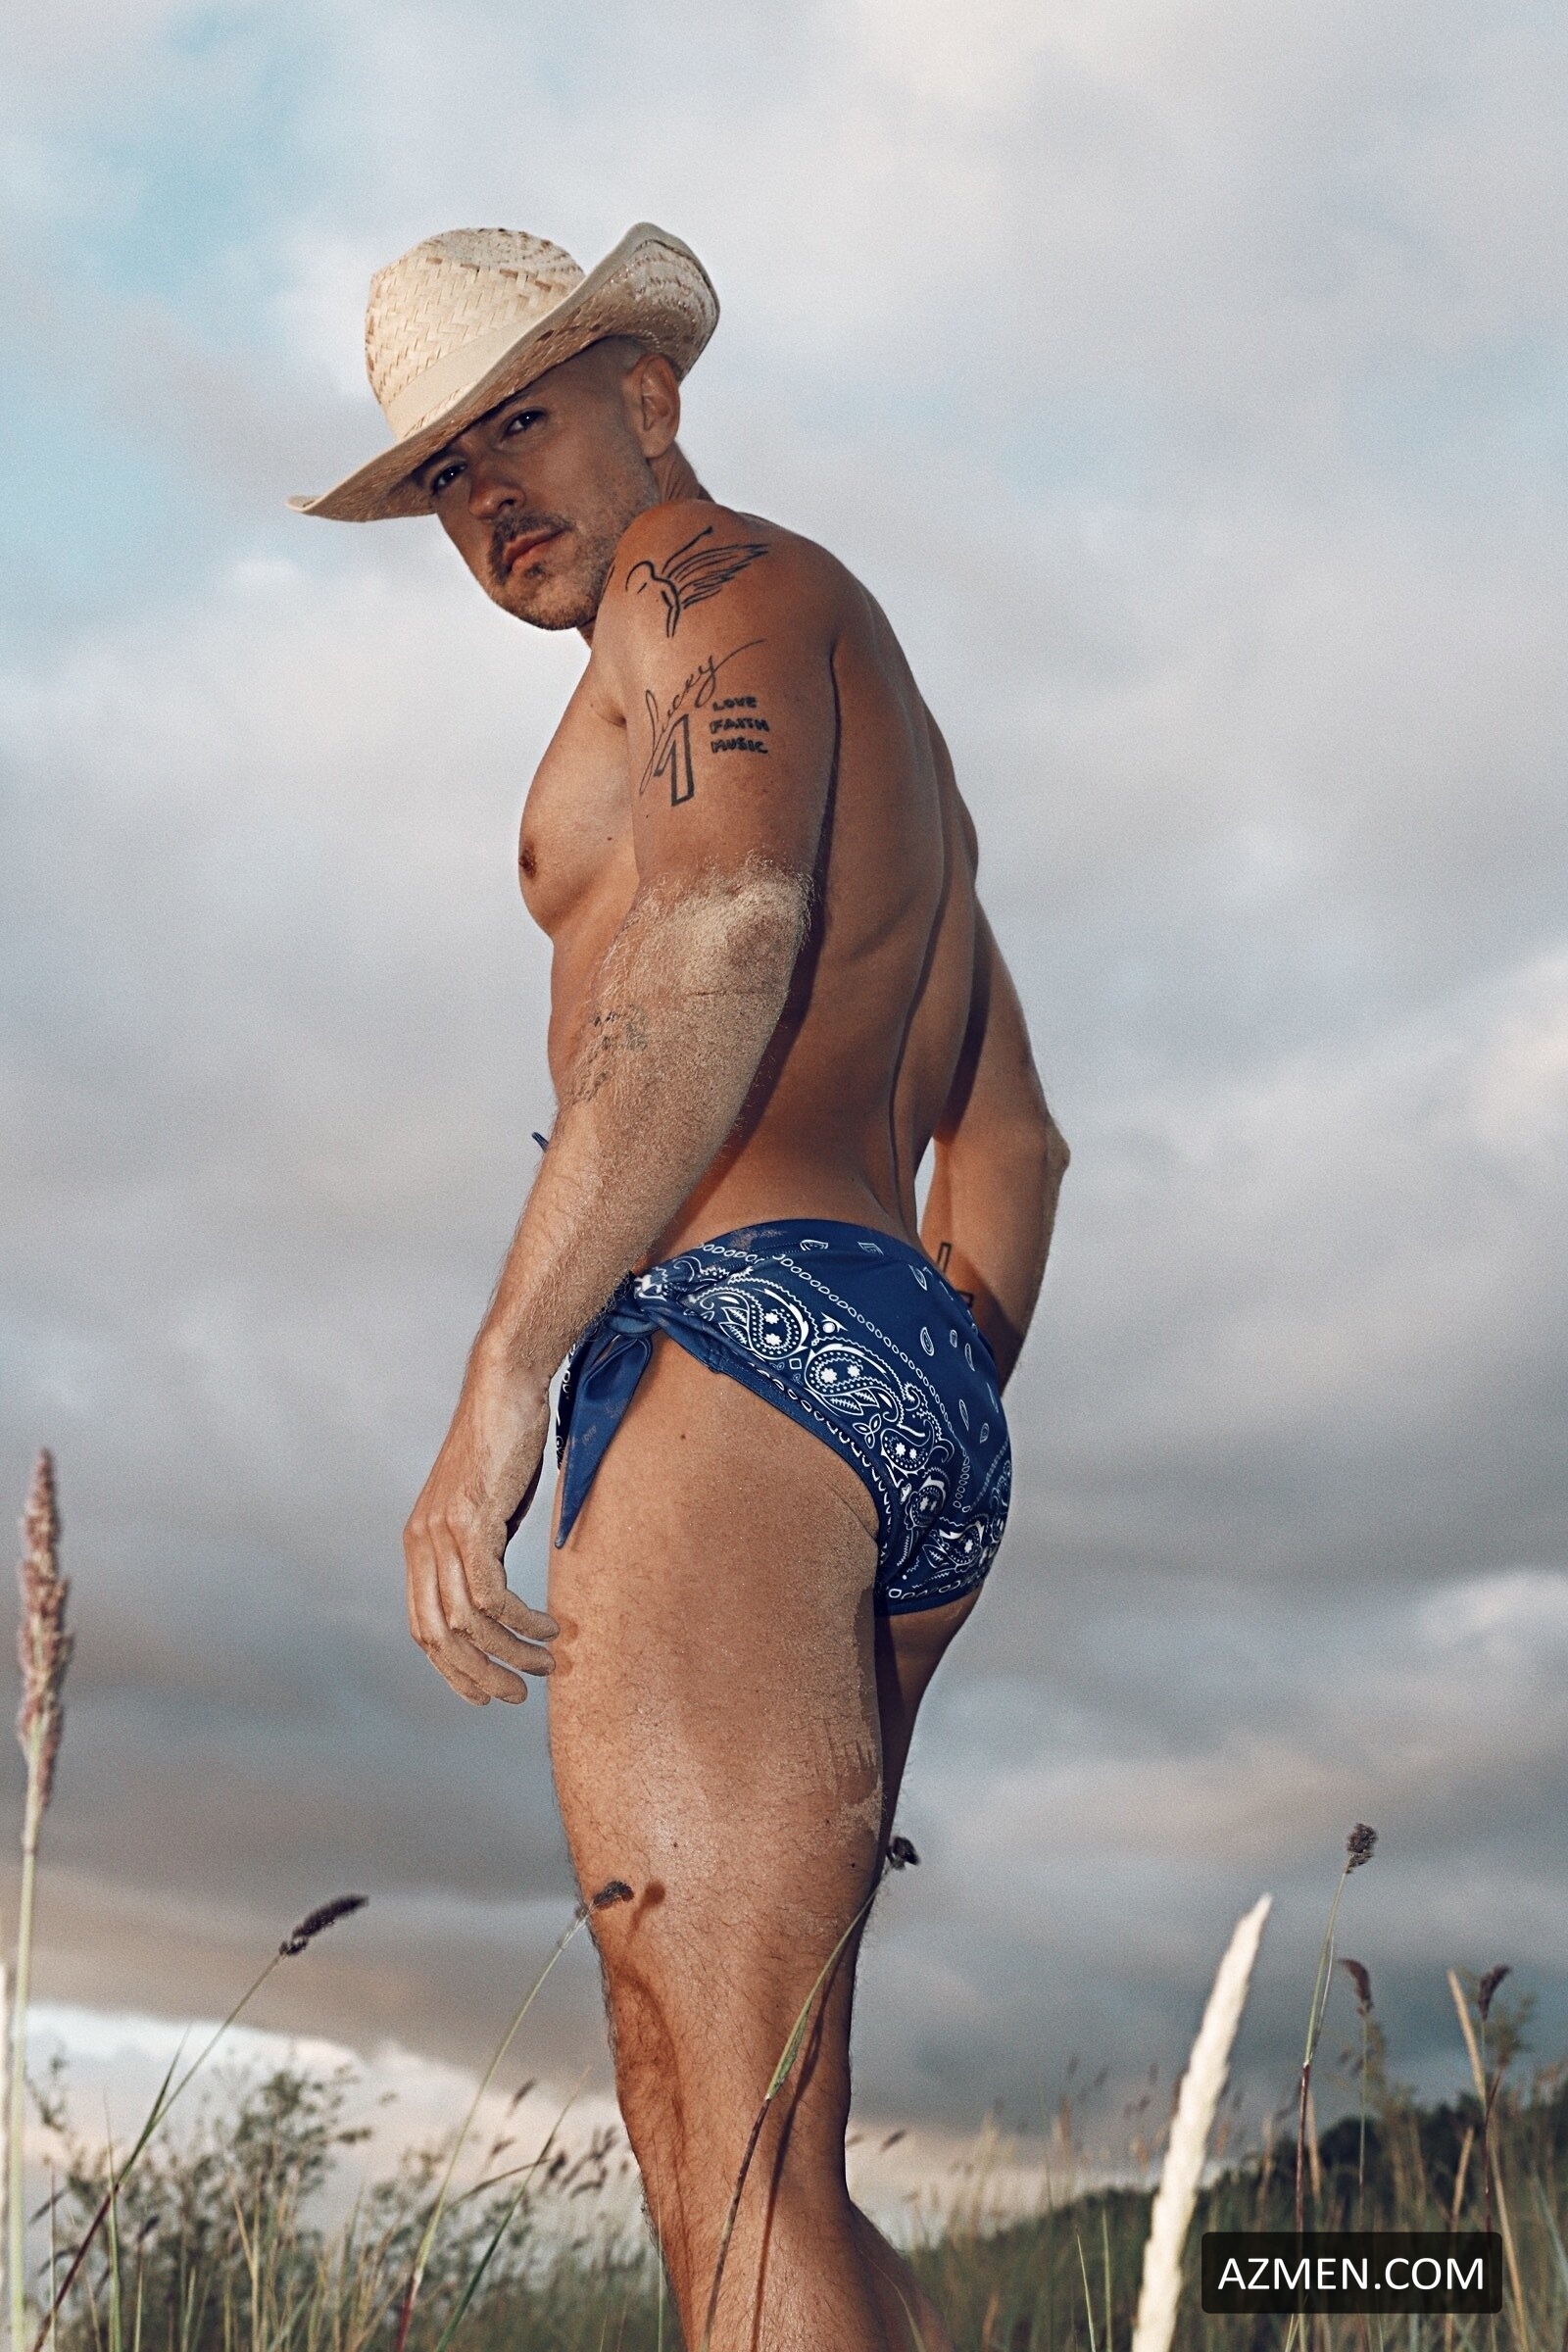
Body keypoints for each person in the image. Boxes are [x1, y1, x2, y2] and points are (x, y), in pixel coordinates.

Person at [292, 220, 1068, 2350]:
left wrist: (509, 1382)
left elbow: (722, 935)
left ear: (647, 390)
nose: (485, 501)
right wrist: (895, 1398)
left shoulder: (696, 586)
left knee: (725, 2155)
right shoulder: (862, 700)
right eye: (445, 475)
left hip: (735, 1342)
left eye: (517, 429)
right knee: (753, 2145)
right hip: (865, 1358)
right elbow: (1010, 1145)